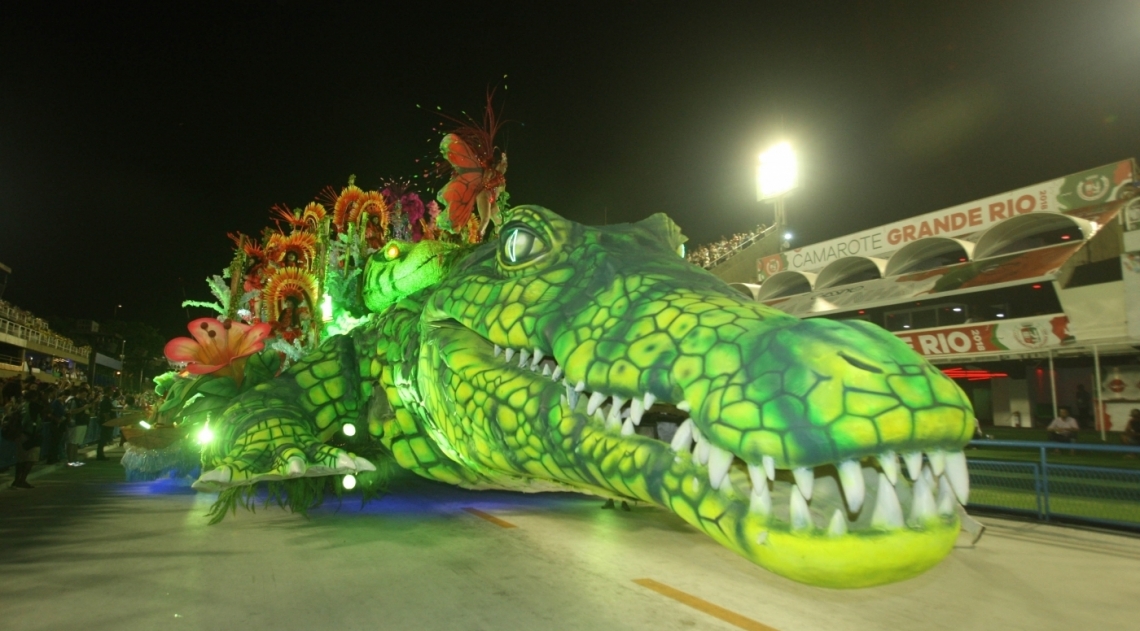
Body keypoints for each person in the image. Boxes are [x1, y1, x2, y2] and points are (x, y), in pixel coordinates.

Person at [10, 390, 43, 489]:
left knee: (21, 459)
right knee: (31, 459)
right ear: (35, 397)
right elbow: (45, 412)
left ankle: (16, 480)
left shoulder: (21, 405)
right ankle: (22, 480)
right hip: (31, 435)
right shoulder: (34, 405)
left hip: (20, 434)